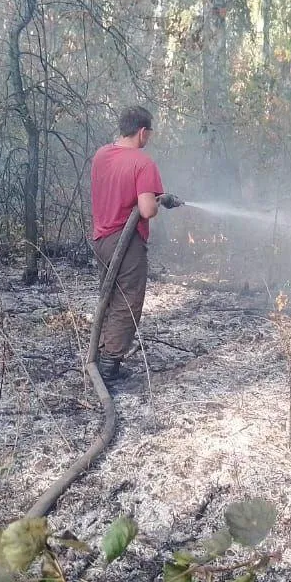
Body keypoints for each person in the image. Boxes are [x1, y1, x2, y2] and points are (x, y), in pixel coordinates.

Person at [89, 106, 180, 382]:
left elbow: (120, 191)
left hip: (102, 238)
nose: (148, 139)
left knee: (110, 296)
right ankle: (108, 365)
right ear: (142, 131)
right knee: (127, 301)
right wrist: (158, 200)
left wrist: (158, 195)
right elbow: (147, 210)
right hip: (126, 242)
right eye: (149, 134)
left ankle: (102, 352)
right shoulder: (143, 163)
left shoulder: (101, 155)